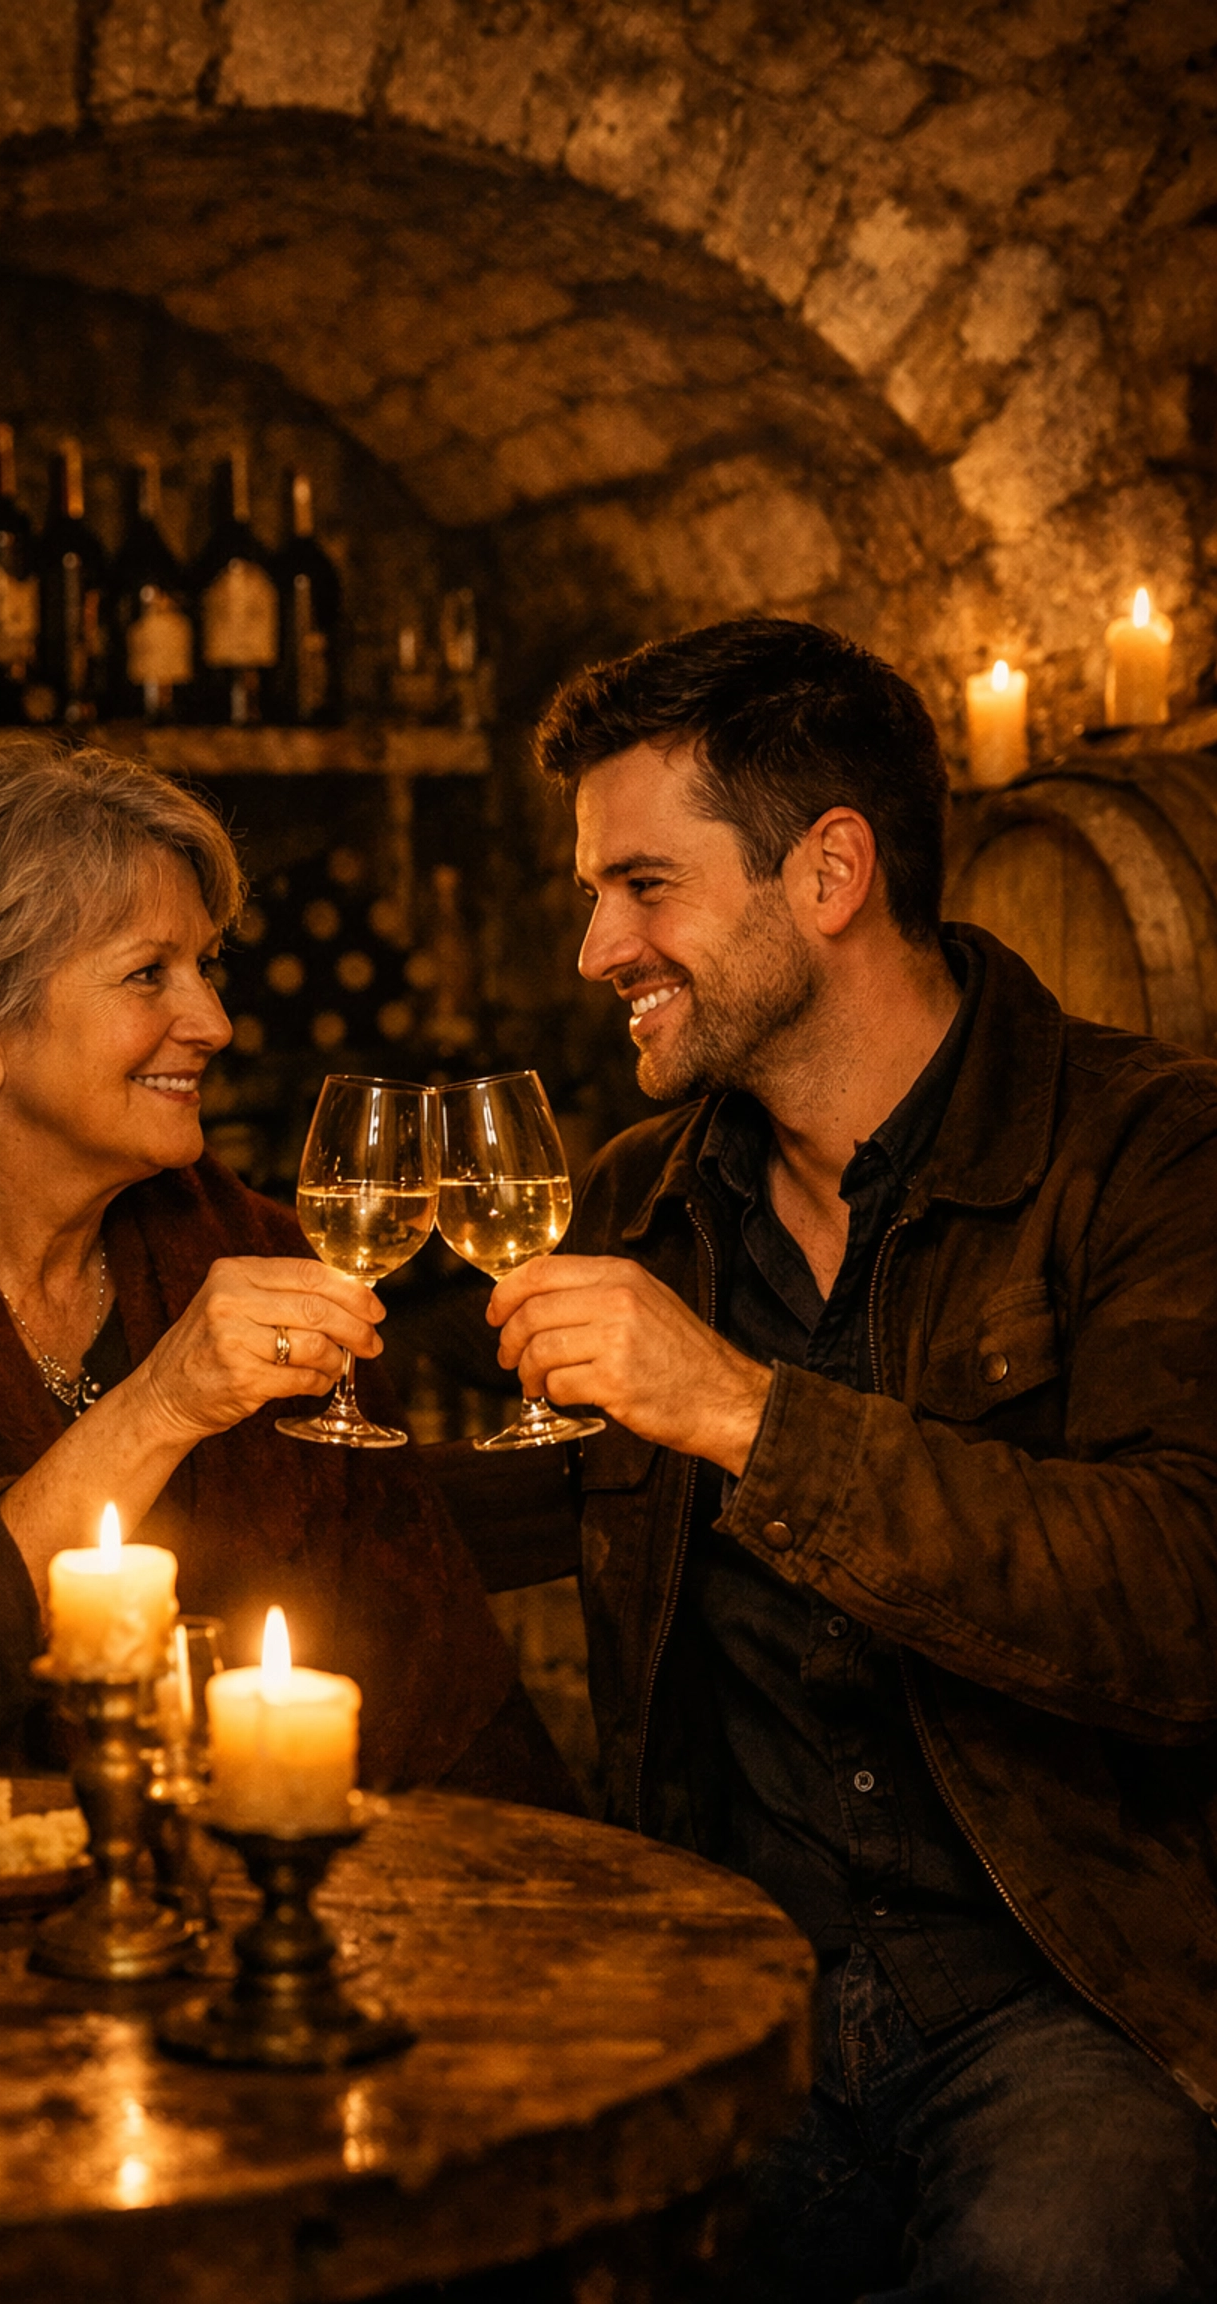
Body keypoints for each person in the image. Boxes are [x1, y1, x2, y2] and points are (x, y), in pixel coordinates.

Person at [450, 619, 1217, 2298]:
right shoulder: (642, 1193)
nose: (596, 944)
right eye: (595, 892)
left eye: (642, 884)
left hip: (1067, 1988)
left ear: (829, 871)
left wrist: (743, 1410)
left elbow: (1180, 1593)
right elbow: (467, 1505)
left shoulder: (1151, 1149)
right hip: (732, 1983)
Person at [0, 741, 577, 1811]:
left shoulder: (249, 1248)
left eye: (206, 967)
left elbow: (416, 1653)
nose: (212, 1023)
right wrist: (161, 1403)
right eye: (148, 973)